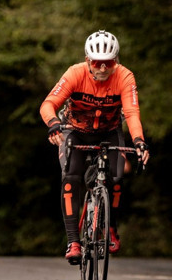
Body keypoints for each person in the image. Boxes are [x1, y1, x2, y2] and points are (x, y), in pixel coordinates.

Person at [40, 30, 150, 264]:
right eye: (97, 63)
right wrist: (53, 124)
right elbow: (49, 103)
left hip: (109, 132)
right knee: (71, 177)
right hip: (74, 130)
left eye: (108, 63)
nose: (102, 68)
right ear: (88, 60)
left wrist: (139, 141)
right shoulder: (75, 73)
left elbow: (131, 112)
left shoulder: (125, 77)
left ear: (116, 61)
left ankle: (110, 227)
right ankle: (73, 241)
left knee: (117, 177)